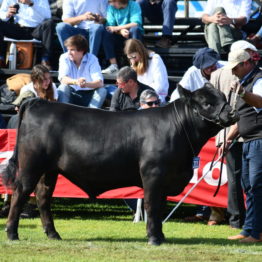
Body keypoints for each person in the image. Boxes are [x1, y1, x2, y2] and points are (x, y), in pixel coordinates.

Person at [223, 49, 262, 243]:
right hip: (248, 140)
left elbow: (261, 102)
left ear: (246, 63)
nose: (233, 71)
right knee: (248, 186)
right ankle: (248, 229)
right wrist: (229, 138)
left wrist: (243, 93)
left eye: (235, 67)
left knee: (256, 186)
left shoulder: (259, 79)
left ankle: (258, 233)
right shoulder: (245, 82)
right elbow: (243, 117)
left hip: (259, 140)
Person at [0, 0, 55, 69]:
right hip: (18, 28)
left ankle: (45, 60)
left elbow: (47, 16)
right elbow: (1, 14)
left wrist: (31, 4)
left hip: (35, 30)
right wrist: (7, 14)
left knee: (49, 23)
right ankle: (1, 59)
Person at [57, 35, 107, 108]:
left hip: (88, 95)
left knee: (102, 91)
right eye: (68, 49)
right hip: (72, 93)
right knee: (62, 87)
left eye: (72, 50)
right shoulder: (64, 57)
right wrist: (76, 82)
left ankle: (90, 116)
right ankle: (64, 116)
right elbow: (63, 79)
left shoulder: (92, 59)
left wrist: (85, 84)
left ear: (81, 50)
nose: (69, 53)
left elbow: (99, 83)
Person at [101, 0, 143, 75]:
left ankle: (135, 64)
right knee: (106, 32)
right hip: (118, 36)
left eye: (112, 1)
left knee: (135, 30)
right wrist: (120, 30)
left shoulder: (134, 5)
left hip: (132, 35)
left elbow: (135, 23)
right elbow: (110, 27)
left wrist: (119, 28)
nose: (110, 3)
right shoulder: (111, 8)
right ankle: (113, 66)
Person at [124, 38, 169, 103]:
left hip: (155, 96)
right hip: (140, 96)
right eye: (130, 58)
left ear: (140, 52)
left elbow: (159, 86)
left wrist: (141, 92)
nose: (132, 60)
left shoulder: (155, 59)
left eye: (134, 57)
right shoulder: (135, 63)